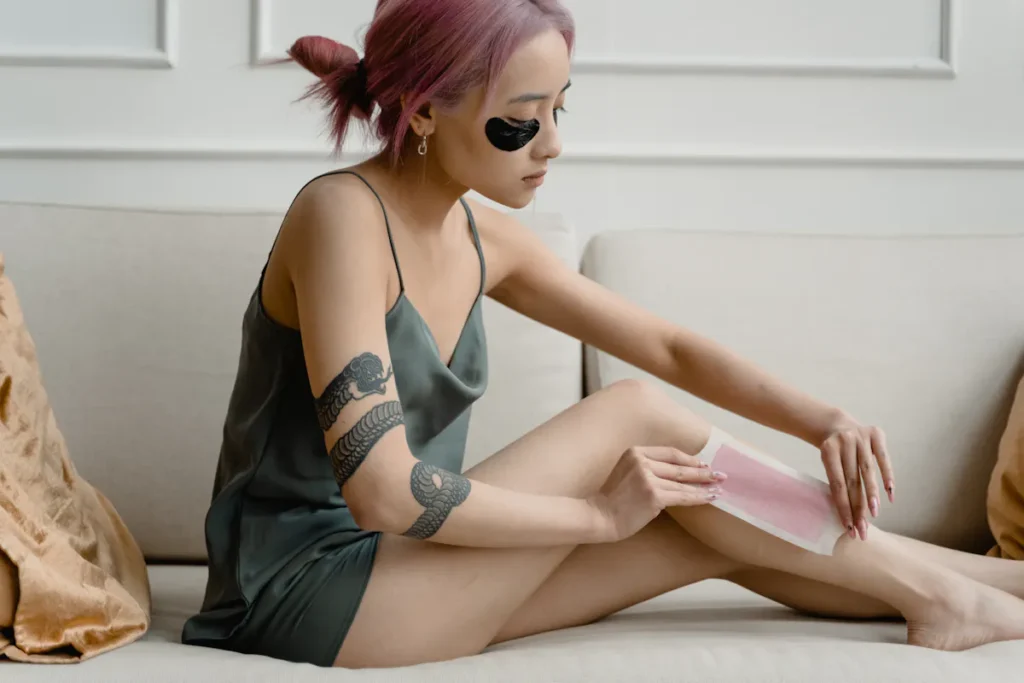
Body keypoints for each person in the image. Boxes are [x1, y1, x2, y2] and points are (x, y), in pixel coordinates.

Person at [181, 0, 1024, 669]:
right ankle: (945, 597)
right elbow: (384, 492)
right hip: (308, 594)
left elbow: (670, 347)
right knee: (628, 413)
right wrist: (593, 514)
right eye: (520, 120)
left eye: (558, 110)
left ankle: (992, 588)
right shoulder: (341, 219)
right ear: (421, 111)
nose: (552, 146)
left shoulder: (481, 237)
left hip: (407, 580)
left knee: (707, 525)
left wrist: (823, 419)